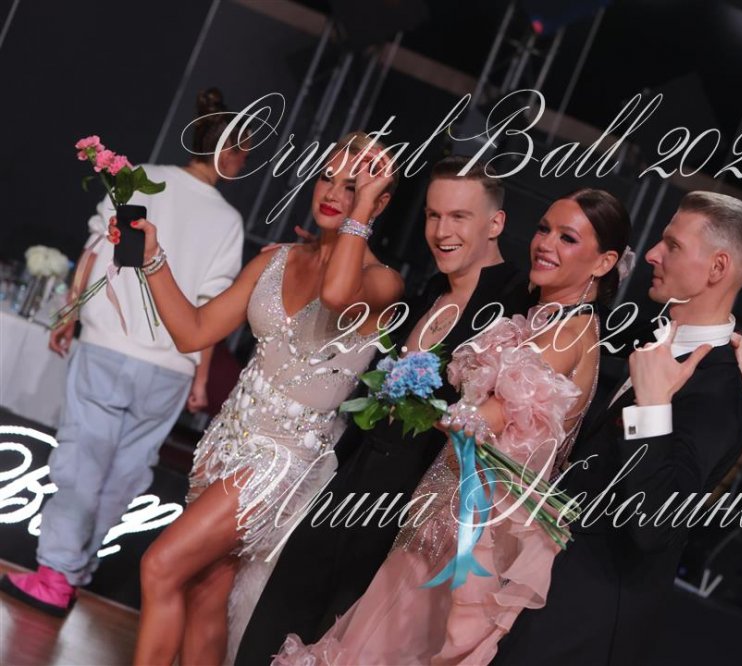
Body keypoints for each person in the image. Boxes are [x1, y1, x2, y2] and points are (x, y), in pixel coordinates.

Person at [274, 188, 634, 665]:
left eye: (567, 238)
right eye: (544, 229)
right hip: (442, 519)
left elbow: (482, 421)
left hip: (468, 540)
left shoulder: (567, 335)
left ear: (604, 262)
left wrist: (413, 394)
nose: (545, 244)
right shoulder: (545, 322)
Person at [233, 155, 536, 664]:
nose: (441, 231)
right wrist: (306, 259)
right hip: (351, 487)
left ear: (495, 223)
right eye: (433, 215)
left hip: (410, 519)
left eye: (459, 217)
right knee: (272, 631)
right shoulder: (425, 293)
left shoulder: (514, 311)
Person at [126, 132, 403, 665]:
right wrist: (152, 258)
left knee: (160, 565)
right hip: (225, 443)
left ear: (379, 201)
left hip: (281, 461)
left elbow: (336, 295)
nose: (333, 193)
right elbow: (194, 331)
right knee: (205, 591)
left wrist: (360, 213)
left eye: (354, 187)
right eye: (327, 177)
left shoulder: (381, 283)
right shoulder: (276, 260)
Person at [0, 88, 247, 618]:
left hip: (110, 347)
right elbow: (210, 310)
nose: (244, 162)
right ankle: (73, 572)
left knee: (82, 463)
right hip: (170, 368)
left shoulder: (139, 179)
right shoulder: (227, 221)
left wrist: (68, 313)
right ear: (226, 151)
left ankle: (57, 575)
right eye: (243, 150)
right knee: (125, 475)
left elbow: (96, 248)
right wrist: (200, 377)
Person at [491, 190, 742, 665]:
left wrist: (653, 408)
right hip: (547, 596)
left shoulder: (718, 393)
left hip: (585, 626)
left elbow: (654, 525)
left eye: (672, 245)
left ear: (717, 268)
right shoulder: (661, 343)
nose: (652, 254)